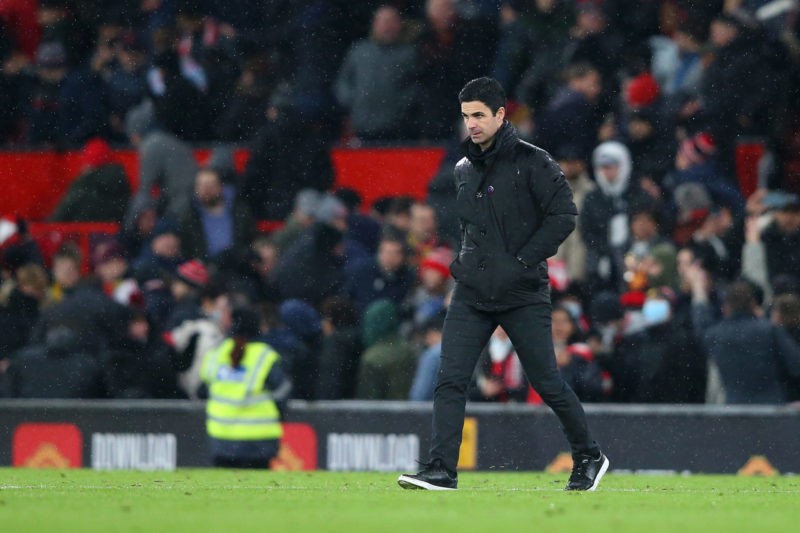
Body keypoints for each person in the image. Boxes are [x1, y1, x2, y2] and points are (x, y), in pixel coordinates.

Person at [398, 77, 608, 492]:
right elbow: (470, 229)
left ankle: (589, 455)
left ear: (500, 115)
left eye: (478, 115)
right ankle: (441, 469)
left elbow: (564, 215)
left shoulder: (535, 161)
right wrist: (465, 265)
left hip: (522, 293)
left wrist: (522, 261)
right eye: (465, 116)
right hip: (473, 293)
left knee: (546, 382)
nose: (471, 124)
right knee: (451, 379)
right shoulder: (462, 167)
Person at [200, 306, 291, 468]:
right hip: (258, 441)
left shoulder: (217, 353)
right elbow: (282, 391)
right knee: (258, 491)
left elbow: (203, 390)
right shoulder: (264, 356)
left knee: (223, 491)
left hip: (221, 438)